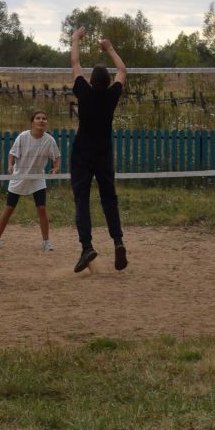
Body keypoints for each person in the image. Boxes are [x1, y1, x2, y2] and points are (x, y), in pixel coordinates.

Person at [68, 27, 128, 273]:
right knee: (108, 198)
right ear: (108, 82)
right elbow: (123, 71)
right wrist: (109, 48)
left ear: (90, 81)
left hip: (83, 151)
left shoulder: (83, 91)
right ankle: (118, 241)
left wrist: (75, 39)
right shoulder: (112, 96)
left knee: (82, 199)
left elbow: (75, 61)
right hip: (103, 152)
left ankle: (87, 246)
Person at [0, 109, 60, 251]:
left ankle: (46, 242)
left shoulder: (49, 140)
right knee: (9, 208)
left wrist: (55, 168)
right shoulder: (23, 136)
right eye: (38, 118)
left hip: (37, 177)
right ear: (32, 122)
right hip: (19, 176)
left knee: (42, 208)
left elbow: (56, 158)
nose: (41, 120)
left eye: (44, 118)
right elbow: (12, 153)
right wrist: (10, 165)